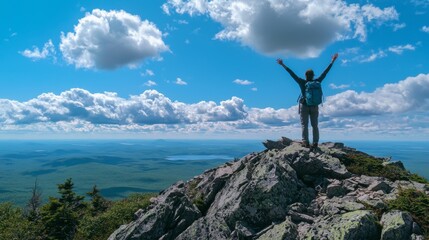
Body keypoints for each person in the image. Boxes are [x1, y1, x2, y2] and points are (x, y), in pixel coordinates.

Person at [277, 53, 338, 148]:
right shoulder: (317, 81)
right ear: (313, 75)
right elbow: (325, 72)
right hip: (314, 106)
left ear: (305, 75)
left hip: (304, 106)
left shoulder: (302, 82)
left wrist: (282, 64)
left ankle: (305, 142)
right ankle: (315, 143)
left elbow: (292, 74)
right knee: (315, 125)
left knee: (304, 125)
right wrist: (332, 61)